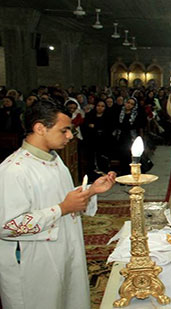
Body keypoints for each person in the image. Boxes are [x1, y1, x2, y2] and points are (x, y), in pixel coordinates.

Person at [0, 100, 116, 309]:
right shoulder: (14, 170)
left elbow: (63, 199)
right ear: (40, 128)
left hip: (64, 247)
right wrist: (61, 209)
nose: (70, 136)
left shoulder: (54, 160)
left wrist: (90, 191)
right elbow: (7, 226)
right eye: (64, 130)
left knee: (69, 298)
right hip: (33, 262)